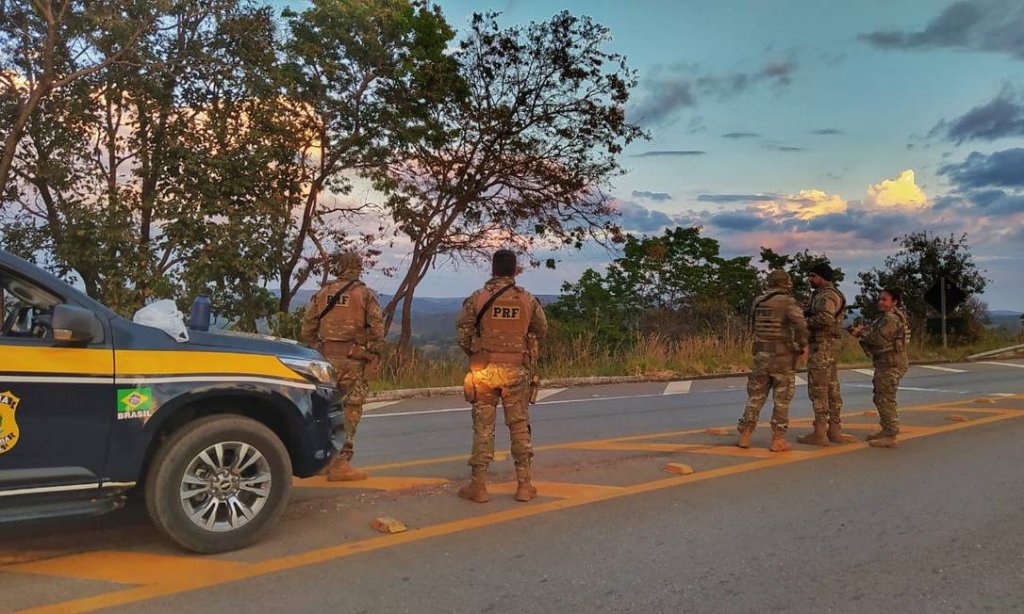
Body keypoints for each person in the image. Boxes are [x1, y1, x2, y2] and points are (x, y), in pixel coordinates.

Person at [455, 249, 548, 503]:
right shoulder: (527, 299)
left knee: (483, 428)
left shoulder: (478, 297)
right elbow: (541, 329)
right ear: (514, 270)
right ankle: (524, 485)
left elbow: (462, 335)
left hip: (484, 371)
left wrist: (477, 353)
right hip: (517, 371)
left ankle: (479, 486)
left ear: (493, 268)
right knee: (519, 427)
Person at [301, 252, 385, 481]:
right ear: (358, 268)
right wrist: (370, 353)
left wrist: (320, 348)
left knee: (324, 410)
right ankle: (341, 463)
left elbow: (307, 330)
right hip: (352, 361)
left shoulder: (322, 293)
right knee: (350, 409)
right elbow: (377, 330)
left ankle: (323, 461)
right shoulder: (365, 295)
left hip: (324, 362)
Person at [737, 269, 809, 452]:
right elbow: (800, 324)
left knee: (755, 396)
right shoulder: (787, 302)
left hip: (761, 355)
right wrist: (803, 345)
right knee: (782, 399)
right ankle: (778, 439)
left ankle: (745, 434)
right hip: (782, 357)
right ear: (786, 283)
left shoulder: (758, 302)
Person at [797, 263, 857, 445]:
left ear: (822, 277)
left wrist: (803, 321)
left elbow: (825, 319)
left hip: (823, 345)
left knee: (819, 388)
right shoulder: (823, 295)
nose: (810, 279)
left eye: (813, 276)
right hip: (828, 346)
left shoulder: (828, 295)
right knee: (831, 388)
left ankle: (820, 432)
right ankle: (834, 430)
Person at [849, 288, 910, 449]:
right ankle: (886, 429)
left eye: (885, 299)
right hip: (886, 362)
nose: (881, 302)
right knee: (880, 397)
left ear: (894, 301)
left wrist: (860, 333)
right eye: (880, 299)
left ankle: (890, 435)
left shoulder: (891, 319)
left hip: (891, 363)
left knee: (885, 398)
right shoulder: (888, 317)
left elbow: (878, 339)